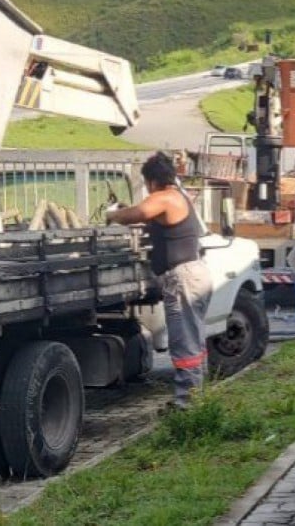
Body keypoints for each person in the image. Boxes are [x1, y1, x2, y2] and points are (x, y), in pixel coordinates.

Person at [107, 152, 212, 407]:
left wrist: (114, 214)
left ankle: (187, 405)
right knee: (193, 338)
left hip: (182, 278)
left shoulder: (165, 198)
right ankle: (196, 398)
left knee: (183, 341)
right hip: (193, 274)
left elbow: (137, 214)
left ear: (152, 181)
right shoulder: (178, 196)